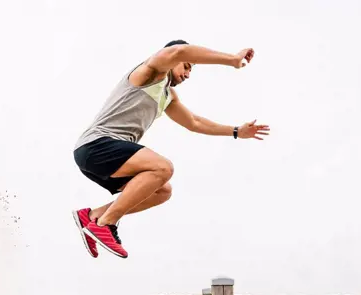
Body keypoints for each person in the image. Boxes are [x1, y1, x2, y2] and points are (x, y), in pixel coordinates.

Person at [71, 40, 270, 259]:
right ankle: (107, 223)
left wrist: (235, 131)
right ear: (172, 60)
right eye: (186, 66)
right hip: (95, 145)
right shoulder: (149, 73)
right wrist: (231, 59)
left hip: (101, 157)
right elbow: (180, 51)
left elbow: (194, 122)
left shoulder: (167, 95)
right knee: (162, 168)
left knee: (162, 191)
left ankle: (93, 216)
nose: (188, 75)